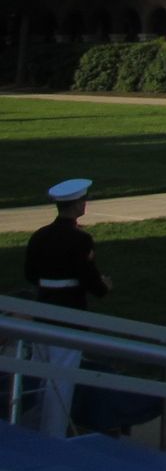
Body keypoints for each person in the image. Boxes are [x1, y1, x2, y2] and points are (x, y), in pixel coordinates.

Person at [22, 177, 112, 437]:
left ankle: (31, 426)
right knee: (62, 377)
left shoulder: (40, 235)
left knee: (40, 372)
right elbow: (87, 275)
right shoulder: (79, 239)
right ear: (77, 205)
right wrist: (102, 286)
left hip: (44, 308)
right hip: (69, 311)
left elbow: (31, 274)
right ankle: (52, 432)